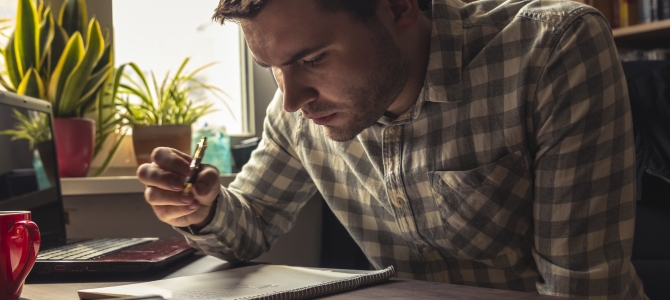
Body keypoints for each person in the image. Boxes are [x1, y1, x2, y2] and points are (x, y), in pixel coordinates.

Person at [137, 0, 647, 298]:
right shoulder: (298, 113)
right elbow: (245, 229)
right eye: (274, 69)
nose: (291, 99)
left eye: (312, 59)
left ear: (400, 6)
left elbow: (581, 290)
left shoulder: (551, 50)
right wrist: (202, 210)